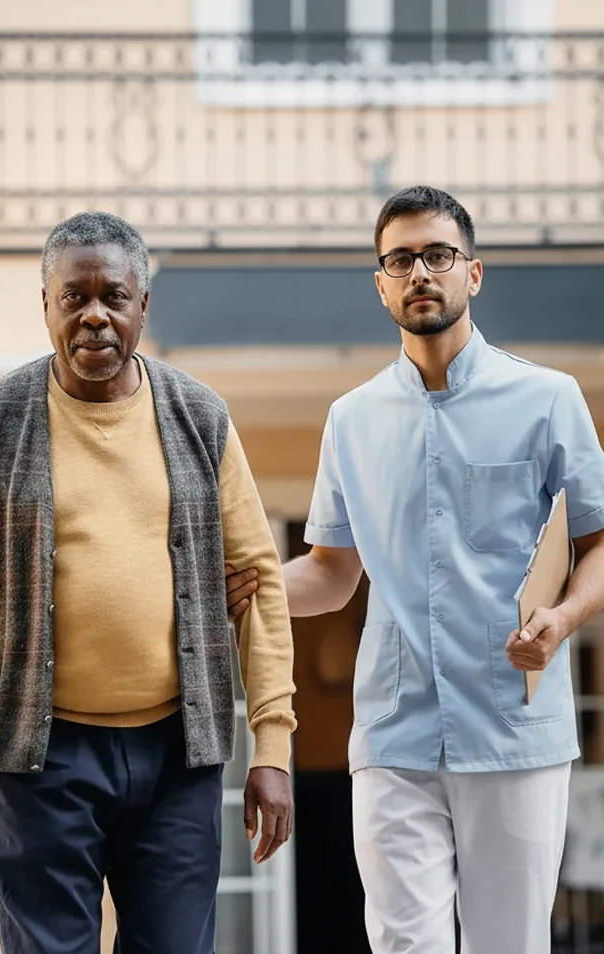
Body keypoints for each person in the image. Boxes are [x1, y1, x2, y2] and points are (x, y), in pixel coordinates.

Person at [226, 186, 604, 953]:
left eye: (438, 255)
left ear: (473, 273)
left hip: (515, 731)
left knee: (509, 943)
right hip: (395, 735)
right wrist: (247, 585)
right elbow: (332, 575)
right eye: (401, 259)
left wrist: (561, 621)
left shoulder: (548, 399)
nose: (420, 272)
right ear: (381, 283)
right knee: (404, 943)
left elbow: (597, 542)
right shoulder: (352, 419)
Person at [0, 211, 296, 954]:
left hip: (177, 754)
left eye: (114, 297)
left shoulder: (201, 418)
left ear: (142, 306)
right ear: (48, 306)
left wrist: (274, 750)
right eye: (74, 297)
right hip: (40, 754)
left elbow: (258, 586)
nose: (95, 314)